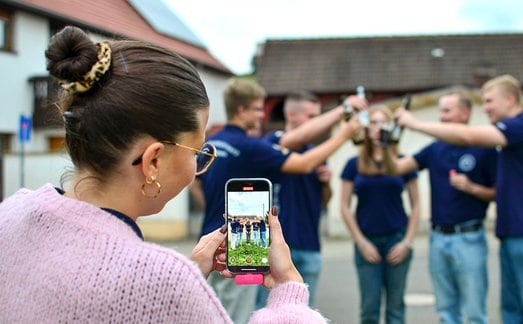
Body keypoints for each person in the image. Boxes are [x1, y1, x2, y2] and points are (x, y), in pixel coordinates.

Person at [0, 26, 327, 323]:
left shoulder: (10, 214)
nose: (197, 169)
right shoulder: (160, 281)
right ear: (153, 161)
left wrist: (190, 273)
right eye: (198, 153)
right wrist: (288, 289)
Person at [190, 78, 364, 323]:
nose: (262, 115)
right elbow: (304, 164)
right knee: (237, 317)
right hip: (239, 248)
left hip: (207, 244)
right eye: (258, 109)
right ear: (241, 110)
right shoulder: (250, 147)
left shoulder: (213, 144)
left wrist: (213, 206)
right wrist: (344, 133)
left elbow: (193, 180)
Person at [395, 75, 523, 323]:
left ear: (510, 99)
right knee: (513, 311)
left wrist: (414, 123)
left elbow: (467, 137)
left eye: (489, 101)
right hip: (514, 233)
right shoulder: (510, 139)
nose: (484, 108)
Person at [386, 88, 497, 323]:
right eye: (440, 111)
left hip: (470, 238)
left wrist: (471, 188)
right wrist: (386, 143)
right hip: (438, 238)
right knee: (446, 312)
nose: (442, 116)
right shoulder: (435, 148)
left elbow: (498, 194)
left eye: (447, 111)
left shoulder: (484, 148)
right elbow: (396, 168)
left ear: (465, 113)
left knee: (475, 313)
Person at [255, 90, 368, 308]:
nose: (318, 123)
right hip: (275, 247)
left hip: (310, 246)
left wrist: (325, 184)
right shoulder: (272, 142)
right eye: (311, 117)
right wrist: (342, 118)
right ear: (291, 115)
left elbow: (324, 201)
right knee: (267, 313)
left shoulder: (315, 152)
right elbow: (295, 142)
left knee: (302, 314)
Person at [340, 104, 421, 324]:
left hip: (396, 238)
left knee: (395, 308)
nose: (378, 128)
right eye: (373, 122)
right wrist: (361, 242)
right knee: (369, 308)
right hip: (367, 240)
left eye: (383, 122)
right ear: (366, 128)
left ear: (392, 128)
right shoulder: (353, 165)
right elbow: (344, 206)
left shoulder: (403, 162)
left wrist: (407, 242)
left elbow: (416, 206)